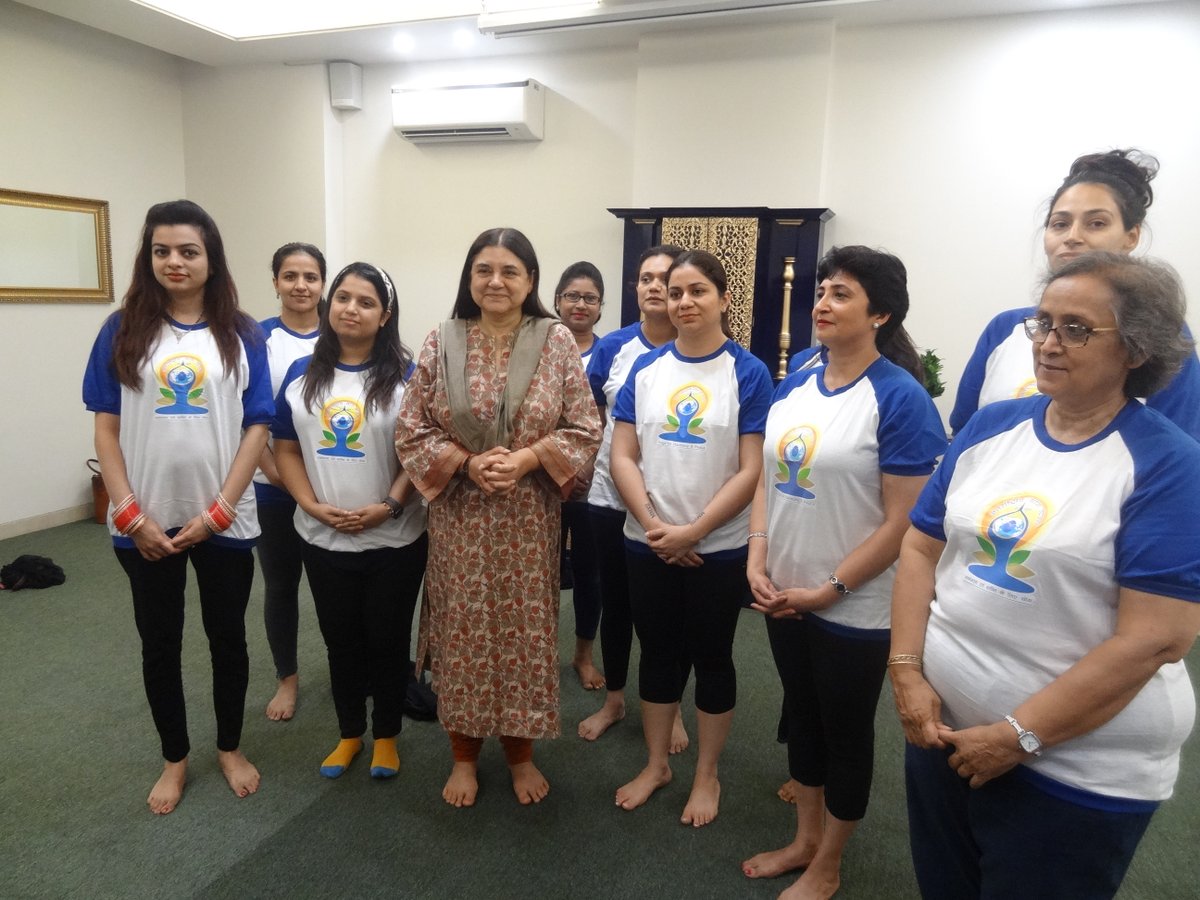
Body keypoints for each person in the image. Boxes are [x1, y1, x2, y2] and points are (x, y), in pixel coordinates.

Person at [892, 253, 1200, 899]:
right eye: (1043, 323)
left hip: (1077, 772)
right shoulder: (989, 427)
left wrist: (1019, 734)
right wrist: (907, 671)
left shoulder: (1168, 465)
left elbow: (1156, 639)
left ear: (1136, 350)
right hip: (941, 729)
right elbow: (921, 550)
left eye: (1078, 329)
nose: (1050, 342)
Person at [741, 246, 946, 898]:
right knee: (801, 717)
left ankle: (828, 864)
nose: (822, 303)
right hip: (784, 590)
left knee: (845, 733)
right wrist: (756, 555)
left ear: (880, 312)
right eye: (822, 290)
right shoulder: (798, 376)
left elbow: (902, 525)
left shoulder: (901, 399)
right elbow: (770, 478)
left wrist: (828, 590)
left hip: (853, 608)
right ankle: (803, 838)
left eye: (841, 294)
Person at [394, 227, 601, 808]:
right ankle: (463, 755)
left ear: (531, 281)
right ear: (469, 278)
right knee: (461, 634)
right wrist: (465, 464)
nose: (496, 281)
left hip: (529, 520)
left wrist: (531, 458)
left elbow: (585, 426)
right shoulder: (442, 340)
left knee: (522, 634)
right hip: (459, 519)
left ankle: (519, 754)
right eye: (483, 270)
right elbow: (411, 428)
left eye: (510, 271)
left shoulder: (556, 342)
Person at [82, 199, 272, 815]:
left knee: (228, 640)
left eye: (189, 251)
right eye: (162, 250)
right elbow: (106, 429)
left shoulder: (242, 333)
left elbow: (257, 427)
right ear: (148, 257)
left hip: (223, 520)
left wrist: (220, 510)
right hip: (145, 522)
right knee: (159, 644)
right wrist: (128, 512)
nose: (175, 262)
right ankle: (175, 757)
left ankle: (229, 747)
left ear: (211, 258)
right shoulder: (121, 329)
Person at [609, 249, 773, 826]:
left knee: (712, 657)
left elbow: (752, 469)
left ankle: (707, 774)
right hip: (647, 541)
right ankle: (657, 764)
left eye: (698, 290)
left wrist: (695, 533)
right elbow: (623, 455)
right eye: (675, 292)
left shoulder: (747, 373)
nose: (684, 302)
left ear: (724, 299)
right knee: (655, 654)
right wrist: (658, 527)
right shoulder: (646, 371)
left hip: (718, 549)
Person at [272, 262, 428, 780]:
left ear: (385, 315)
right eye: (342, 298)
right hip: (322, 537)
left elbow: (419, 455)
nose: (351, 309)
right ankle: (349, 735)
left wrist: (389, 505)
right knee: (340, 641)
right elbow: (286, 448)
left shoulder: (408, 377)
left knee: (386, 641)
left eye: (365, 302)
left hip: (395, 537)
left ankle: (386, 736)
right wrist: (311, 505)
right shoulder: (301, 375)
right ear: (328, 304)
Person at [950, 148, 1200, 439]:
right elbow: (965, 433)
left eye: (1096, 223)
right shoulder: (1005, 329)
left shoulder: (1158, 333)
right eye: (1060, 224)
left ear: (1131, 236)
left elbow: (1178, 447)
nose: (1072, 236)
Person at [578, 244, 691, 753]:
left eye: (663, 279)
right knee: (617, 604)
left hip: (674, 504)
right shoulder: (615, 347)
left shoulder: (701, 352)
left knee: (666, 611)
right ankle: (616, 699)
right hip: (608, 495)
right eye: (645, 278)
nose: (652, 287)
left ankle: (670, 709)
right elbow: (584, 415)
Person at [255, 242, 325, 722]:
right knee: (281, 584)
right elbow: (250, 418)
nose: (301, 286)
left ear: (323, 283)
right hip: (272, 486)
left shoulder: (342, 335)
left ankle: (352, 668)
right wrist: (277, 476)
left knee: (333, 588)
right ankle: (288, 679)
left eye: (311, 277)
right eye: (290, 276)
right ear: (276, 281)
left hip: (332, 489)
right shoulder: (254, 338)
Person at [553, 260, 606, 690]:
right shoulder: (536, 349)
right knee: (537, 571)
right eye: (572, 295)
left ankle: (583, 655)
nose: (580, 304)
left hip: (591, 485)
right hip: (541, 482)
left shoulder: (609, 354)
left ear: (601, 307)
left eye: (590, 298)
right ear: (557, 301)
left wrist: (584, 467)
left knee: (590, 573)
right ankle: (537, 652)